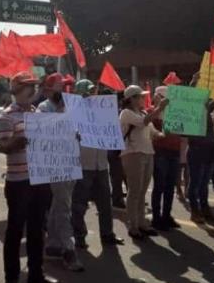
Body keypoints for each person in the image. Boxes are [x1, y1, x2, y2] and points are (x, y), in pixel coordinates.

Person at [0, 72, 59, 283]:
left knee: (37, 229)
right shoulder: (7, 116)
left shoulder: (38, 114)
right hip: (18, 182)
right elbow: (3, 146)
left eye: (34, 87)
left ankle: (36, 273)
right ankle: (11, 281)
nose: (32, 91)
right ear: (16, 90)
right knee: (15, 231)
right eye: (27, 87)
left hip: (39, 180)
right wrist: (16, 142)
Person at [70, 79, 124, 249]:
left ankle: (107, 234)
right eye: (87, 92)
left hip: (101, 165)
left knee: (105, 204)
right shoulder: (72, 112)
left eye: (93, 91)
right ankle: (79, 237)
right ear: (79, 94)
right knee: (79, 205)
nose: (91, 94)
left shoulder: (103, 111)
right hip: (83, 165)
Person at [38, 73, 83, 272]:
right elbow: (44, 133)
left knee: (60, 204)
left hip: (72, 161)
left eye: (67, 87)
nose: (66, 91)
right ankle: (68, 249)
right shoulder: (43, 109)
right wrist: (61, 112)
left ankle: (52, 244)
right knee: (64, 207)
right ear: (49, 90)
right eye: (61, 87)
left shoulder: (75, 108)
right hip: (55, 164)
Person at [119, 85, 164, 240]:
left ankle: (142, 223)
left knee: (142, 190)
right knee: (135, 190)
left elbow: (152, 131)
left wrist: (163, 134)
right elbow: (144, 122)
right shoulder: (126, 113)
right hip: (133, 153)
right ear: (131, 99)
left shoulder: (143, 112)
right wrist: (159, 108)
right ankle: (133, 226)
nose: (143, 99)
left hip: (147, 152)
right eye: (140, 96)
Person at [150, 86, 181, 231]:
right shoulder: (153, 113)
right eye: (162, 97)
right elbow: (150, 122)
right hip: (161, 153)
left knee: (170, 187)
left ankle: (166, 216)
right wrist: (159, 107)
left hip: (174, 152)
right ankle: (156, 218)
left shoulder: (177, 113)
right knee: (159, 186)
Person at [188, 100, 214, 224]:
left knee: (204, 183)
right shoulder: (193, 112)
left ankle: (204, 208)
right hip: (197, 150)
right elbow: (212, 104)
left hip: (210, 150)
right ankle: (194, 211)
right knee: (196, 183)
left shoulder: (206, 111)